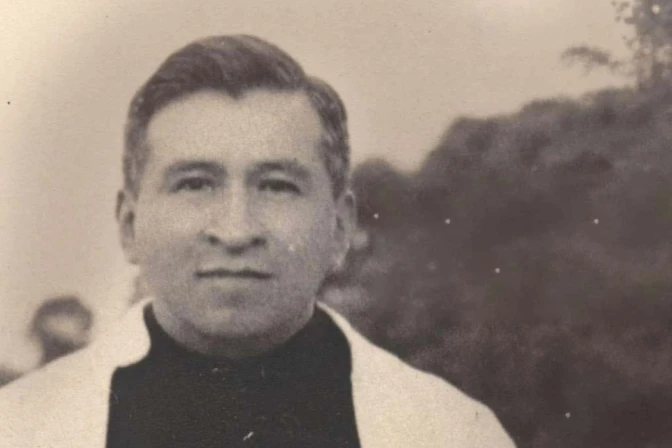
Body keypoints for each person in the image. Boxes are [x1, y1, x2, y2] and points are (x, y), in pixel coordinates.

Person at [0, 35, 515, 447]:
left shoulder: (452, 433)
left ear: (339, 228)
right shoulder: (20, 430)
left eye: (277, 186)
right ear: (129, 225)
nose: (236, 230)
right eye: (195, 184)